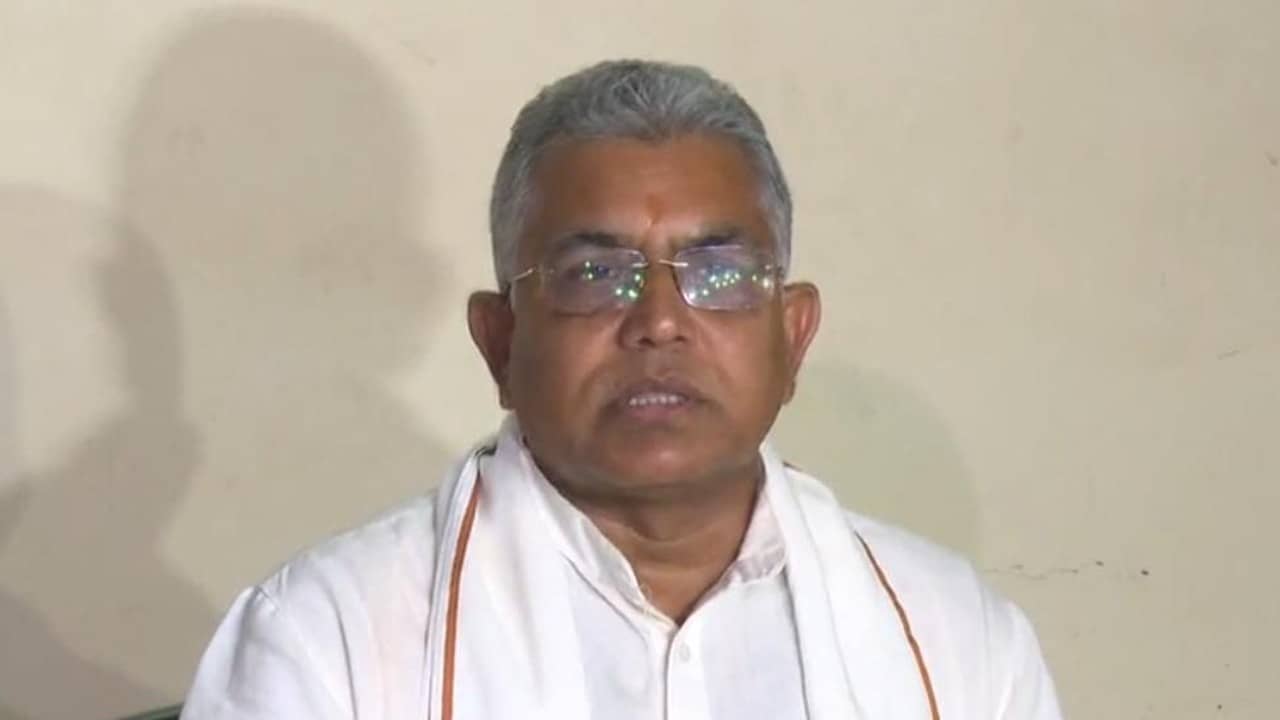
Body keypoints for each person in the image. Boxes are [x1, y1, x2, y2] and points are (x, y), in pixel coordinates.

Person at [180, 59, 1062, 719]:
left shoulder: (959, 641)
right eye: (596, 273)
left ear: (792, 336)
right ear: (500, 342)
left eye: (719, 273)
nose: (660, 321)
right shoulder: (326, 639)